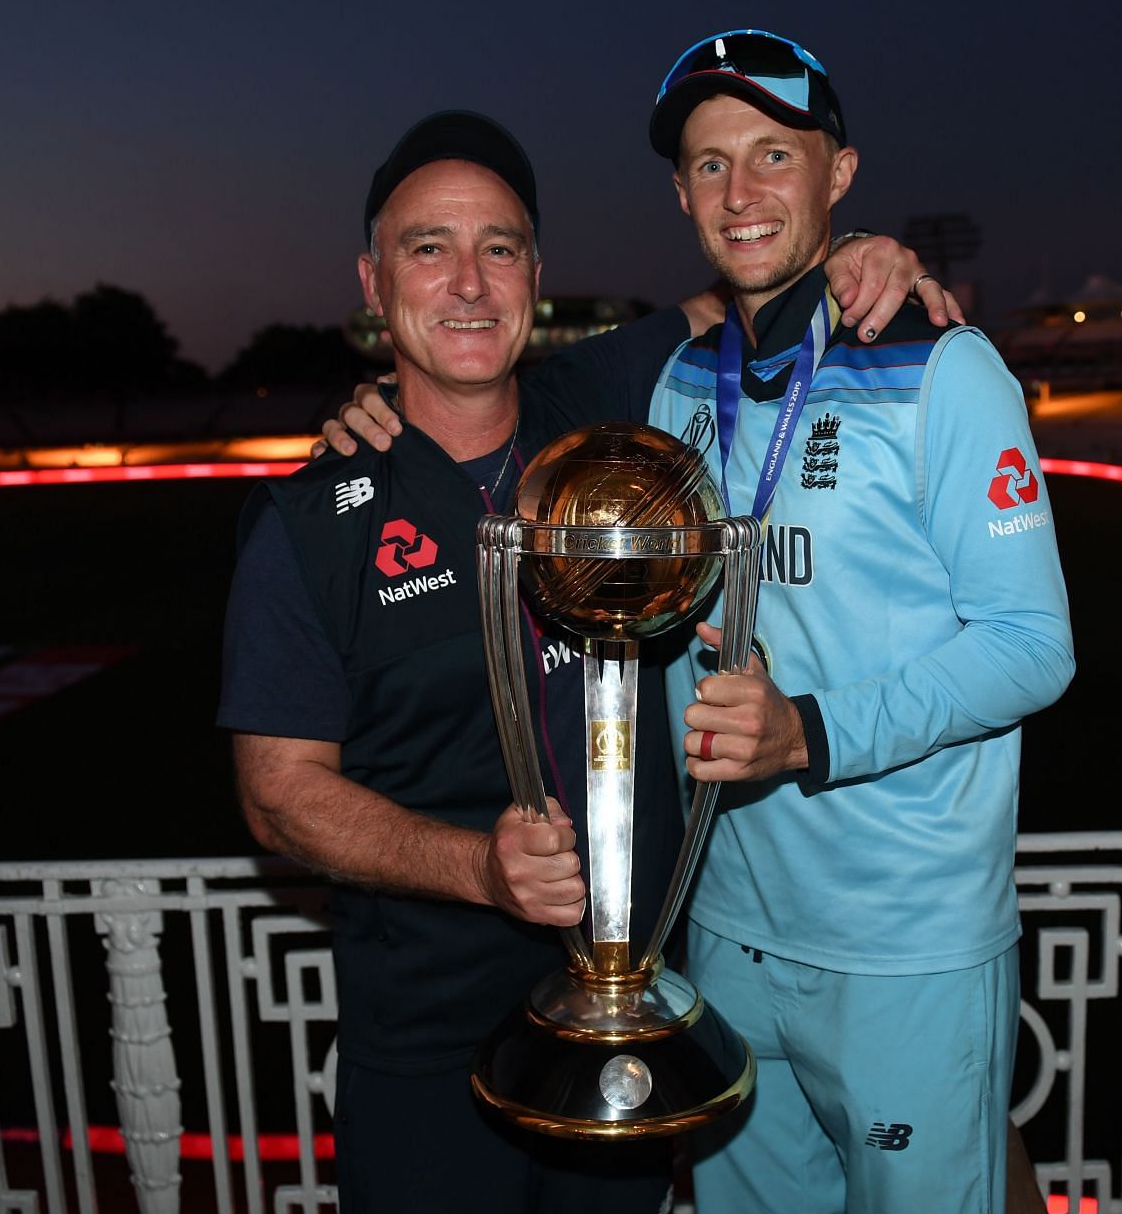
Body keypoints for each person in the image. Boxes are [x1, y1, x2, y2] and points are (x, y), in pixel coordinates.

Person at [220, 109, 951, 1214]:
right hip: (429, 1049)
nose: (468, 282)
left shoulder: (611, 397)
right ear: (373, 283)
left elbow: (750, 288)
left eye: (499, 248)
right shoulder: (310, 518)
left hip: (644, 1024)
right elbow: (277, 798)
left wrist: (860, 254)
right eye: (429, 249)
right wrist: (479, 868)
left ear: (536, 275)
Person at [639, 30, 1075, 1214]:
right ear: (681, 193)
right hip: (726, 926)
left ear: (840, 173)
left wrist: (811, 735)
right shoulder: (679, 383)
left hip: (906, 947)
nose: (742, 191)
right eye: (711, 163)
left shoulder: (946, 365)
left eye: (774, 153)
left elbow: (1036, 646)